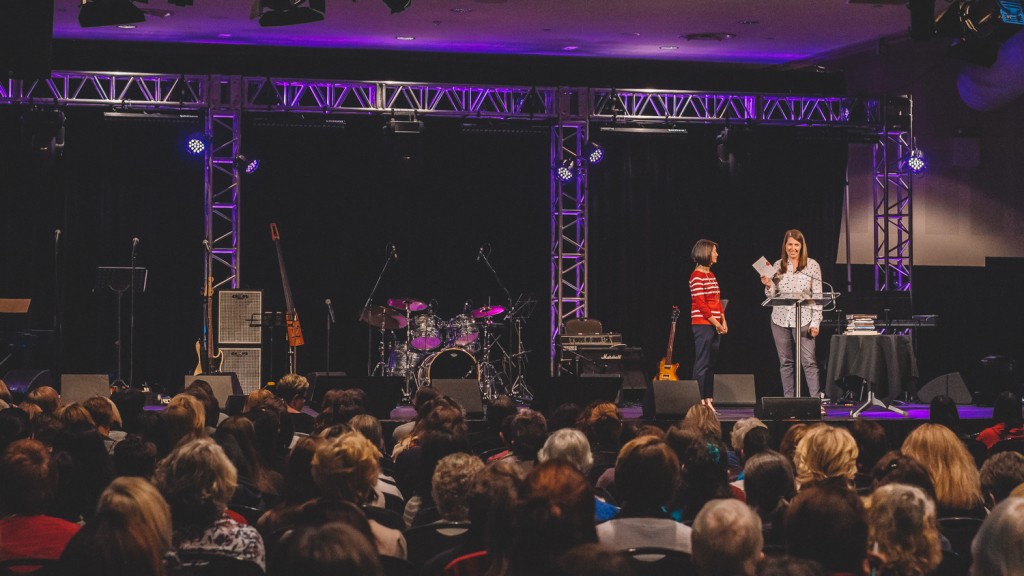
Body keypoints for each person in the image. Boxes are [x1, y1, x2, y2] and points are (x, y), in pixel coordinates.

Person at [760, 229, 823, 397]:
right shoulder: (777, 265)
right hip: (780, 319)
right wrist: (768, 285)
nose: (793, 248)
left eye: (796, 245)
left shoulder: (812, 265)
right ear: (785, 246)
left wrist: (815, 323)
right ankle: (789, 401)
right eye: (790, 245)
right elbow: (772, 295)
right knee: (785, 363)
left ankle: (816, 401)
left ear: (802, 246)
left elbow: (817, 296)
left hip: (804, 320)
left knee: (809, 361)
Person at [690, 238, 726, 408]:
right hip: (703, 324)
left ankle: (708, 399)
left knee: (711, 363)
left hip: (714, 324)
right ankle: (697, 401)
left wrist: (723, 320)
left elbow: (718, 301)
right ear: (705, 253)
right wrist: (716, 323)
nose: (716, 254)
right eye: (714, 251)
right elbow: (701, 304)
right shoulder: (696, 276)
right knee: (702, 362)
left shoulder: (710, 274)